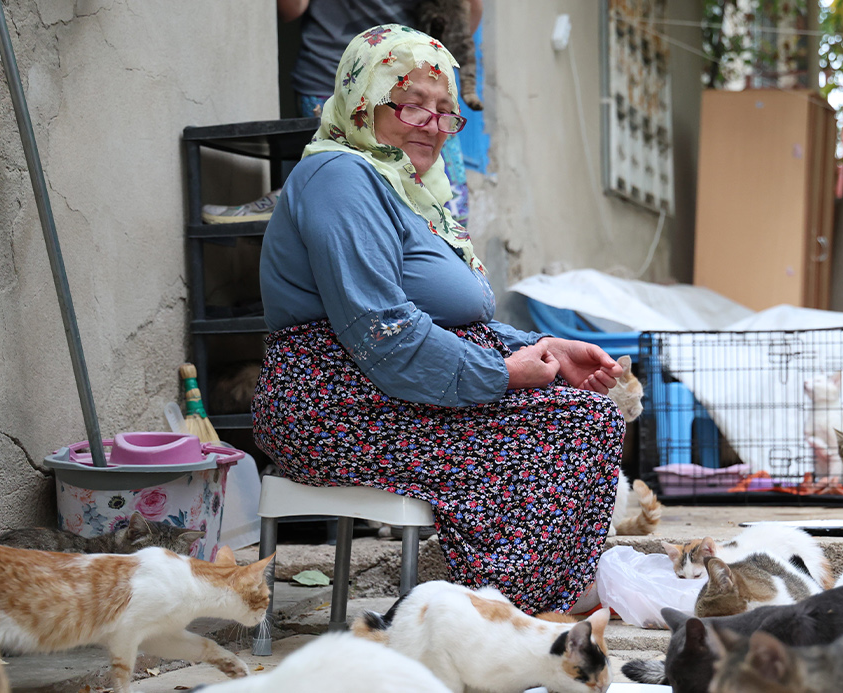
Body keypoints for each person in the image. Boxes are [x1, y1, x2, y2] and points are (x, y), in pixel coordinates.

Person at [252, 25, 625, 615]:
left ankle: (525, 599)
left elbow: (451, 320)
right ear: (363, 102)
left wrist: (545, 347)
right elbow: (383, 332)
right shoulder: (341, 177)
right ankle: (503, 612)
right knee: (565, 425)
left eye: (444, 111)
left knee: (581, 414)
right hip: (332, 404)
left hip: (386, 390)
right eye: (411, 104)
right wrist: (503, 375)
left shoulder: (409, 191)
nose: (431, 124)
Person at [279, 0, 482, 226]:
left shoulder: (433, 114)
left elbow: (459, 23)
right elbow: (290, 10)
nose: (432, 128)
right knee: (358, 200)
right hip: (335, 79)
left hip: (412, 81)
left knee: (447, 212)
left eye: (446, 111)